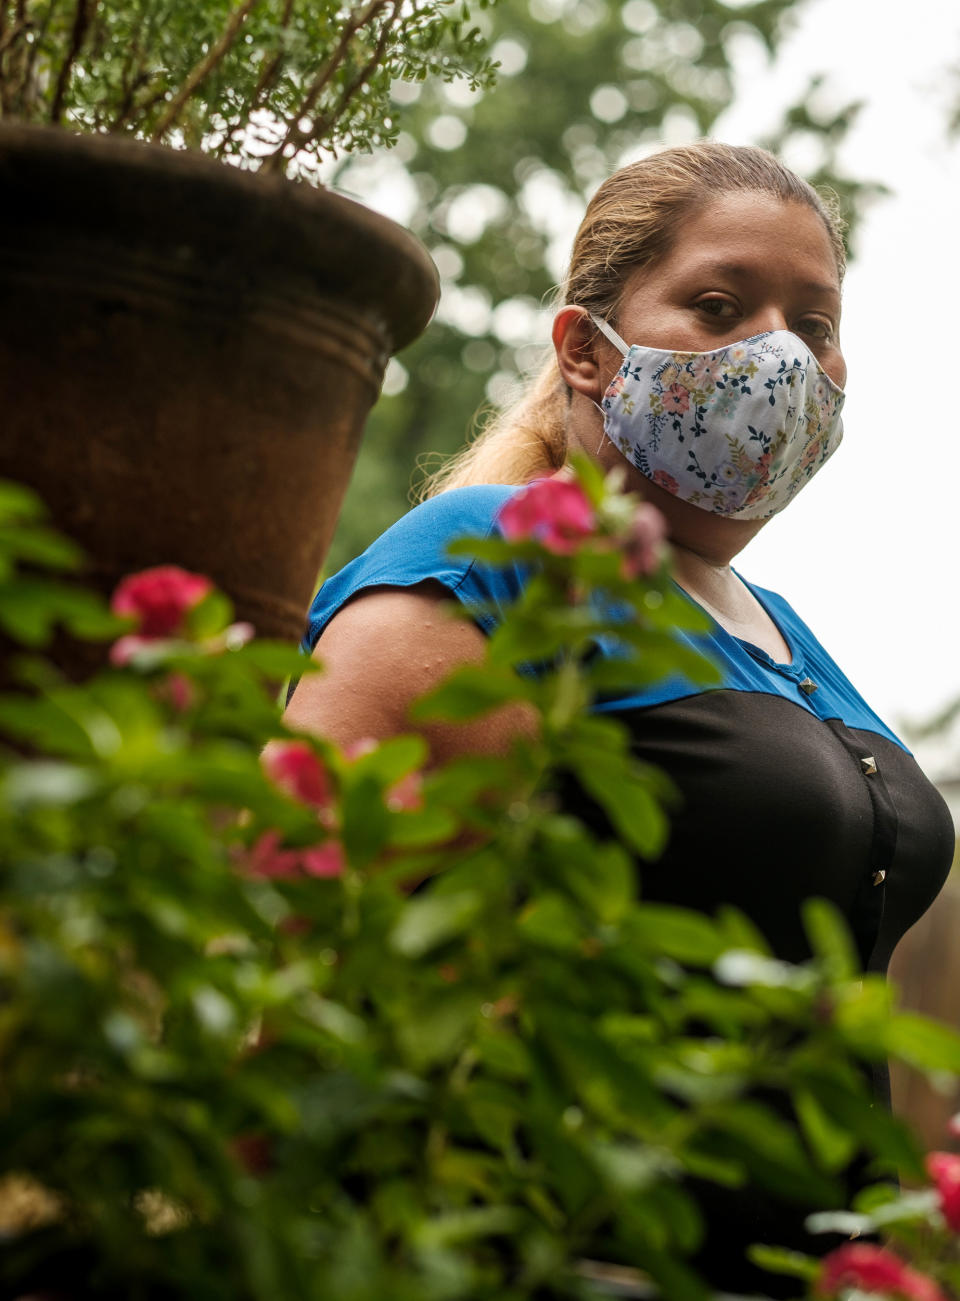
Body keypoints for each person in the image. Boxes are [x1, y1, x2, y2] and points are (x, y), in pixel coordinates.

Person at [284, 142, 955, 1295]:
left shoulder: (785, 629)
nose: (781, 354)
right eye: (719, 305)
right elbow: (311, 951)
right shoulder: (481, 563)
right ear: (586, 349)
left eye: (816, 321)